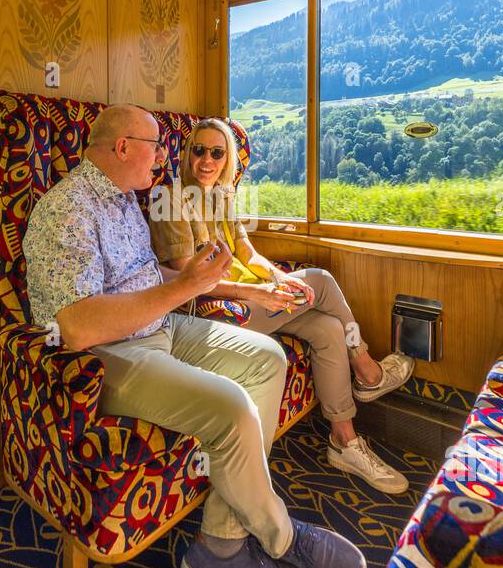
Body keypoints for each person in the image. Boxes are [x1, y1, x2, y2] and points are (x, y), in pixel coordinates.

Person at [23, 104, 366, 568]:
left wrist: (187, 284)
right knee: (231, 407)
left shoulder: (123, 200)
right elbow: (74, 327)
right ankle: (281, 537)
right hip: (110, 354)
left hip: (162, 324)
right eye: (157, 146)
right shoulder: (67, 208)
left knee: (268, 358)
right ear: (123, 148)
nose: (165, 156)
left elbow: (147, 279)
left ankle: (220, 543)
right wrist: (190, 286)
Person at [148, 118, 413, 494]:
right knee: (319, 279)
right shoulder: (171, 201)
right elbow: (189, 282)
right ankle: (367, 369)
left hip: (250, 298)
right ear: (187, 154)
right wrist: (256, 294)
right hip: (217, 313)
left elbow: (248, 254)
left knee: (326, 328)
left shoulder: (221, 198)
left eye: (217, 152)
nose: (206, 160)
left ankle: (344, 441)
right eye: (198, 150)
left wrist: (275, 277)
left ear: (228, 160)